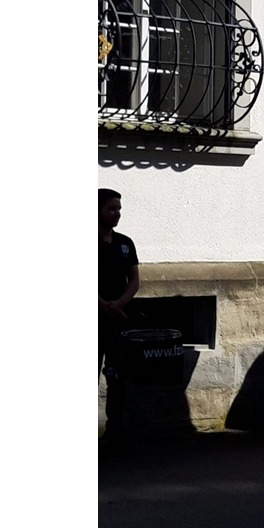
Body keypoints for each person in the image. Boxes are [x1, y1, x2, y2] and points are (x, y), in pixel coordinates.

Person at [97, 188, 140, 451]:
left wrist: (120, 304)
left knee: (116, 378)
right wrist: (104, 306)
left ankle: (114, 433)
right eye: (112, 209)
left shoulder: (125, 243)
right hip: (98, 318)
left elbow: (134, 280)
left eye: (119, 209)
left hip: (118, 320)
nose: (117, 214)